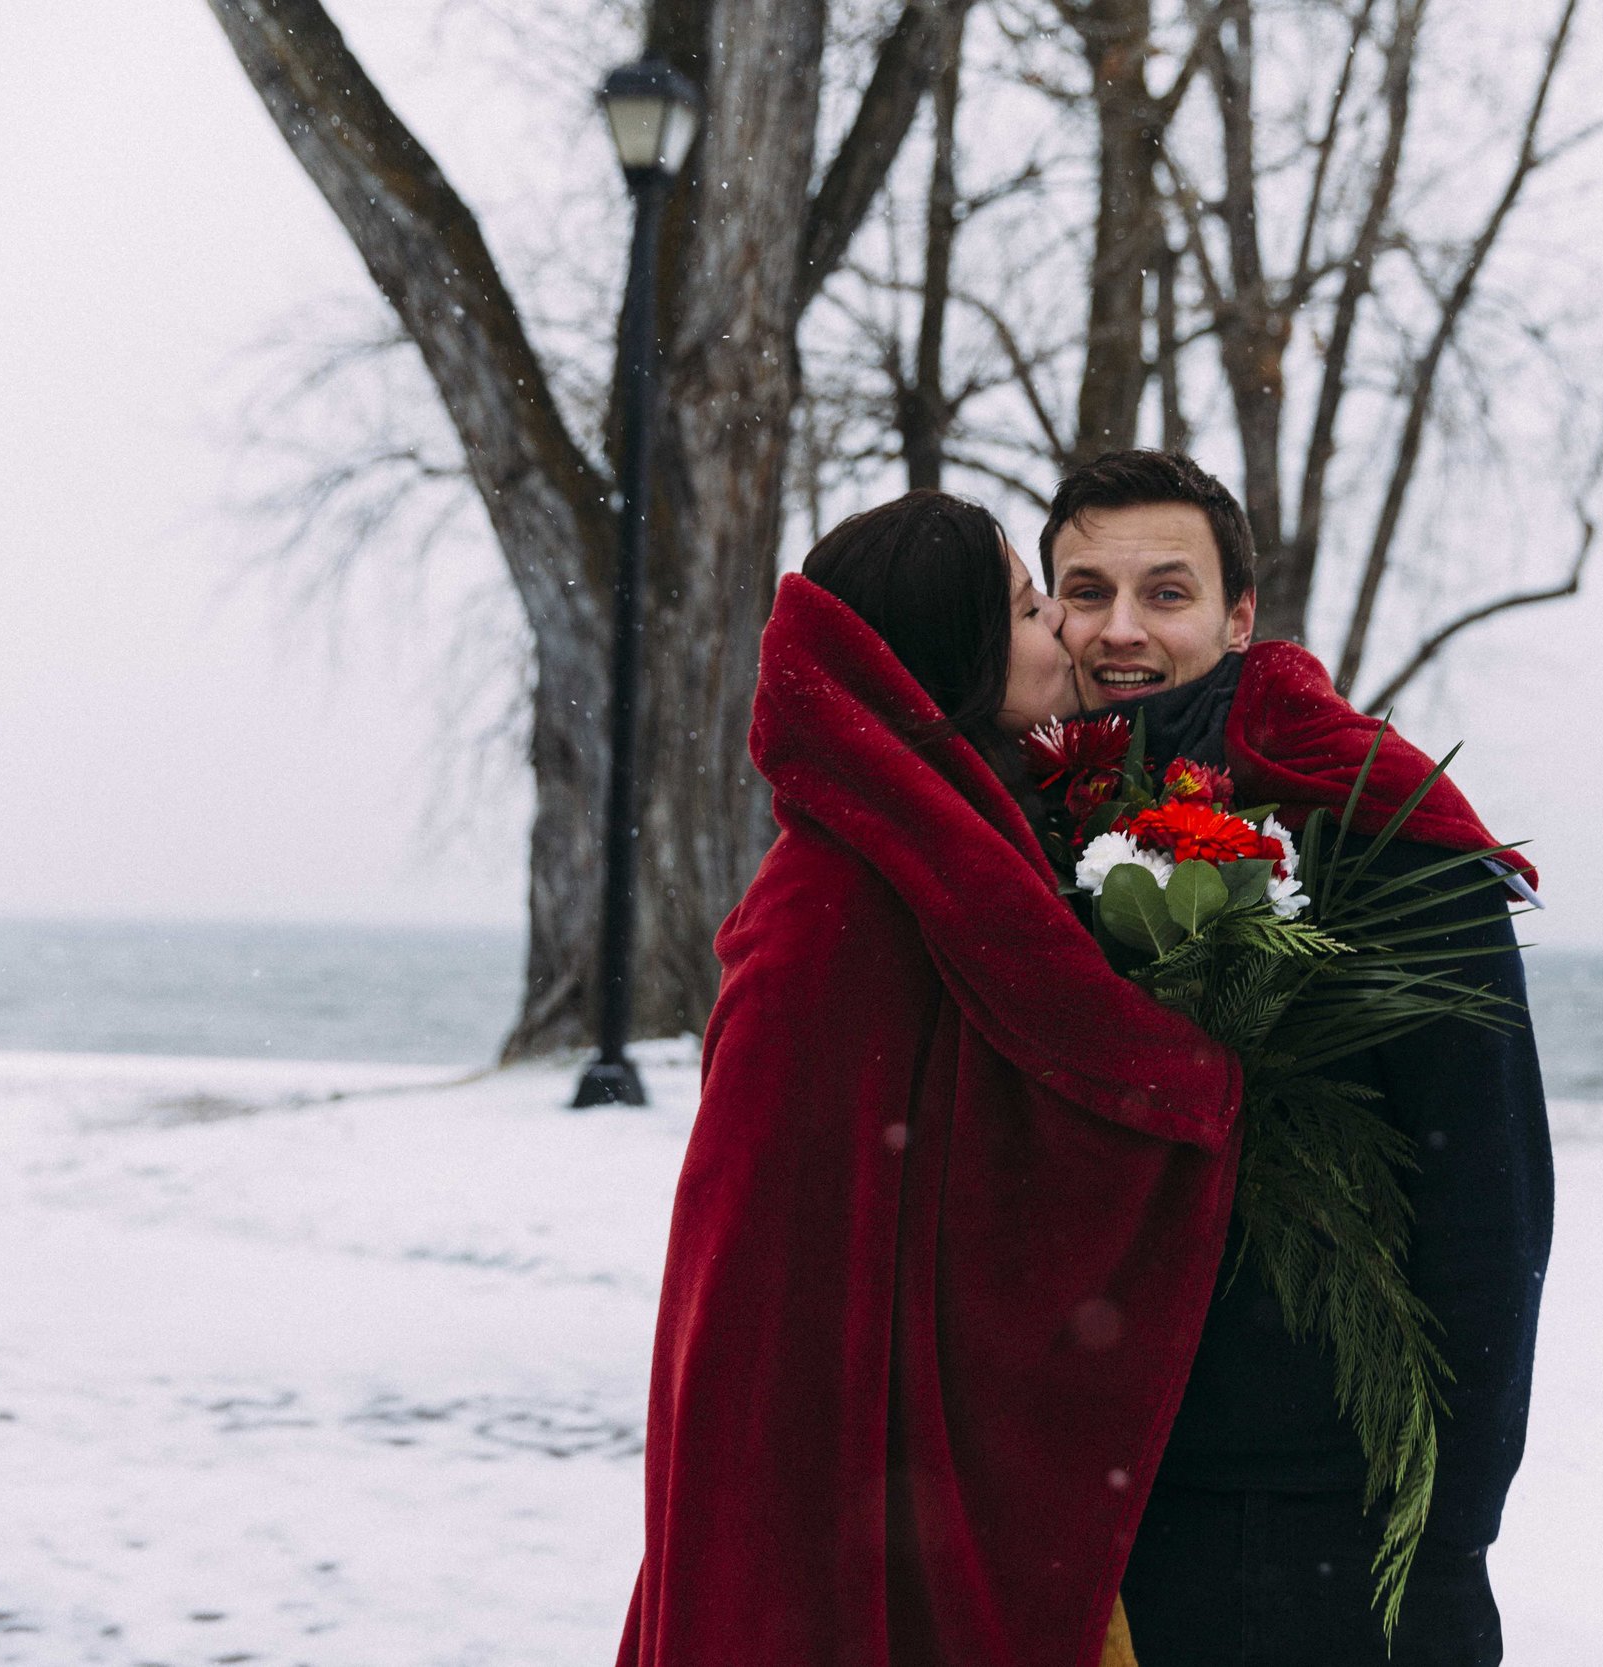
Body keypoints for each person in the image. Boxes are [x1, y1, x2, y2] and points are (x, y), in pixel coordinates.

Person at [614, 490, 1243, 1667]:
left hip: (925, 1494)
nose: (1060, 624)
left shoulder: (968, 849)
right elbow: (762, 1307)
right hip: (832, 1527)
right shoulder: (832, 911)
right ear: (948, 655)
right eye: (1024, 605)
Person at [1041, 451, 1554, 1667]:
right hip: (1081, 1507)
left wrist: (1444, 1535)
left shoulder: (1374, 824)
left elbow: (1489, 1213)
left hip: (1321, 1513)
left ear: (1237, 615)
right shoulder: (1018, 830)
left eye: (1165, 593)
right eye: (1084, 590)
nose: (1120, 629)